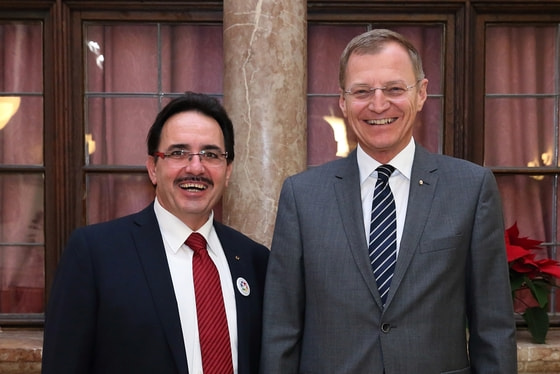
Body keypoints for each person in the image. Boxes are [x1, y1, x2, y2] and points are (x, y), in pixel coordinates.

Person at [260, 29, 517, 373]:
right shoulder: (302, 195)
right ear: (343, 100)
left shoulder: (470, 188)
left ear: (422, 93)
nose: (378, 104)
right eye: (362, 91)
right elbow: (281, 331)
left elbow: (494, 328)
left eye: (395, 89)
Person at [42, 92, 269, 374]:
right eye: (178, 153)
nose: (195, 167)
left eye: (210, 155)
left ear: (228, 170)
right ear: (153, 168)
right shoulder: (95, 255)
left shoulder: (254, 260)